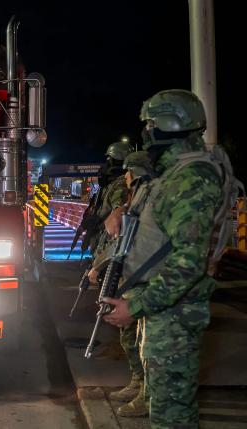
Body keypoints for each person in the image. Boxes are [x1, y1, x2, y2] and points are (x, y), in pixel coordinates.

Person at [102, 89, 226, 428]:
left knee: (172, 416)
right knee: (163, 408)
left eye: (151, 123)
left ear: (173, 123)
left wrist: (137, 305)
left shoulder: (192, 178)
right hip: (165, 310)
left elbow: (189, 262)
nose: (146, 131)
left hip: (177, 313)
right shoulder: (171, 175)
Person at [90, 150, 154, 418]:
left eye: (129, 172)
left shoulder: (145, 194)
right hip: (134, 276)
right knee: (135, 339)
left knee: (147, 344)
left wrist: (99, 265)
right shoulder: (136, 194)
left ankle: (147, 395)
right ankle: (139, 385)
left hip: (147, 279)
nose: (124, 177)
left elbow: (126, 239)